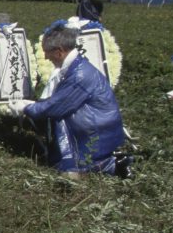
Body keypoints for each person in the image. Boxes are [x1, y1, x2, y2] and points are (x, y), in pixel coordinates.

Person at [8, 25, 124, 175]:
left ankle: (110, 165)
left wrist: (25, 108)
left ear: (59, 52)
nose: (45, 57)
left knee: (70, 172)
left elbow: (57, 107)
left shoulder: (79, 75)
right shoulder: (77, 67)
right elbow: (60, 100)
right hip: (98, 123)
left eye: (47, 52)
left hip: (97, 129)